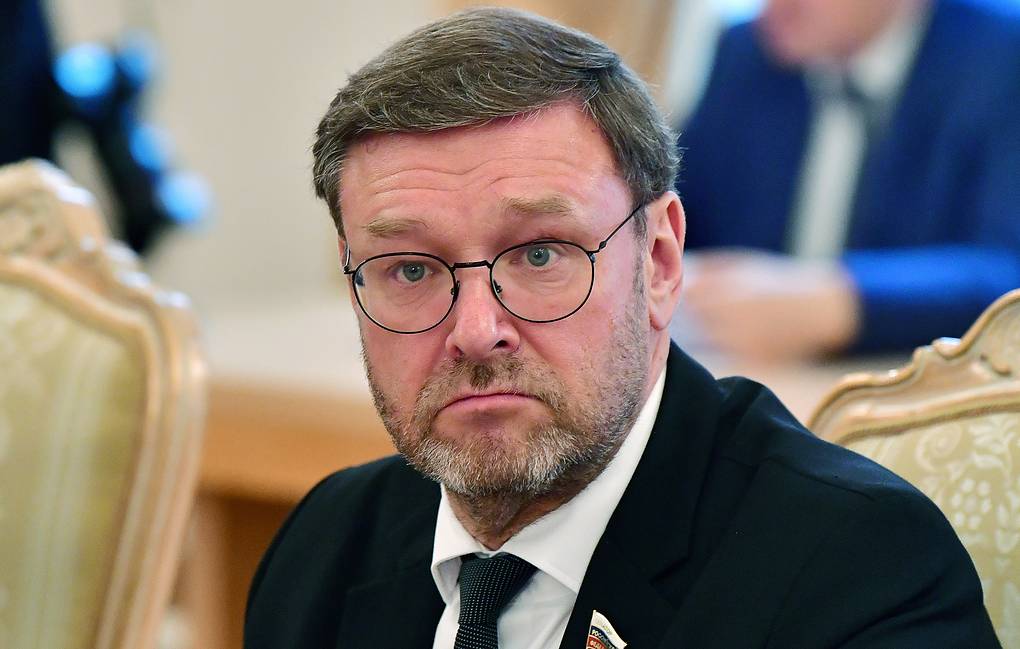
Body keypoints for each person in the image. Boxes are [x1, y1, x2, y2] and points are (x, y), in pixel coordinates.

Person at [244, 8, 999, 648]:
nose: (475, 329)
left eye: (541, 254)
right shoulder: (323, 549)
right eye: (410, 269)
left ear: (661, 262)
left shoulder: (860, 573)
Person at [677, 0, 1020, 360]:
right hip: (753, 374)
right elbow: (679, 218)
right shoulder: (746, 51)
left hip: (909, 379)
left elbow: (1006, 270)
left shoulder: (1002, 55)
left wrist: (841, 304)